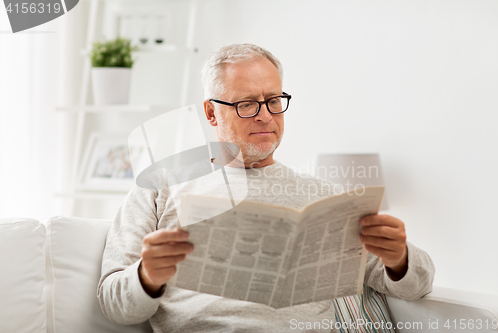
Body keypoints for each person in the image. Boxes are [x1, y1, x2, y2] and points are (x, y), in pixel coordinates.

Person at [98, 43, 435, 333]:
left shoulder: (325, 198)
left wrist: (399, 257)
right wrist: (147, 275)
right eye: (246, 104)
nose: (265, 116)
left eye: (274, 100)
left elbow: (419, 285)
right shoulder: (160, 186)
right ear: (211, 113)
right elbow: (114, 302)